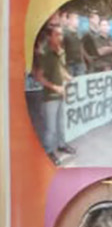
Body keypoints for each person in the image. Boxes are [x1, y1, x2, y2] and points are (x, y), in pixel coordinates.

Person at [31, 25, 71, 164]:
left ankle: (62, 145)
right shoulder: (45, 54)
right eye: (57, 34)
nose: (60, 37)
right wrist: (55, 87)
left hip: (61, 94)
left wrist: (67, 77)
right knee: (51, 128)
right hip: (49, 97)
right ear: (50, 37)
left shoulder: (60, 51)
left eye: (61, 34)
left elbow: (60, 68)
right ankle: (48, 151)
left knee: (61, 123)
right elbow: (38, 77)